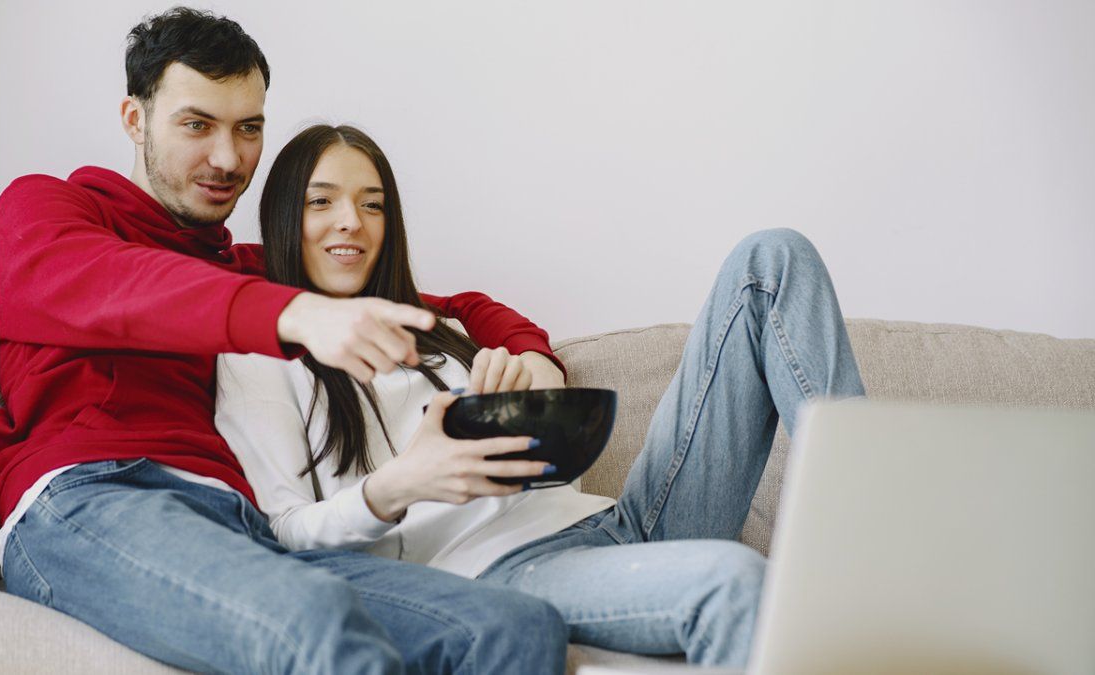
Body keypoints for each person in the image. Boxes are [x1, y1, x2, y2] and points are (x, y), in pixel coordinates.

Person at [0, 8, 572, 674]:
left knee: (512, 624)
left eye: (248, 128)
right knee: (315, 621)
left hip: (241, 528)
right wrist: (296, 314)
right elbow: (116, 283)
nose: (228, 158)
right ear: (135, 119)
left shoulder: (246, 273)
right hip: (93, 497)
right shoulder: (50, 211)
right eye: (197, 125)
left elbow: (445, 305)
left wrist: (532, 354)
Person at [215, 125, 868, 668]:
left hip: (614, 523)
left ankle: (873, 547)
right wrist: (401, 482)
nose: (351, 222)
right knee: (733, 579)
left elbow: (520, 372)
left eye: (373, 204)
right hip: (504, 570)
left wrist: (532, 386)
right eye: (322, 201)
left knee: (772, 257)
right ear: (285, 217)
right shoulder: (261, 361)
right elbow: (284, 531)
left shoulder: (444, 332)